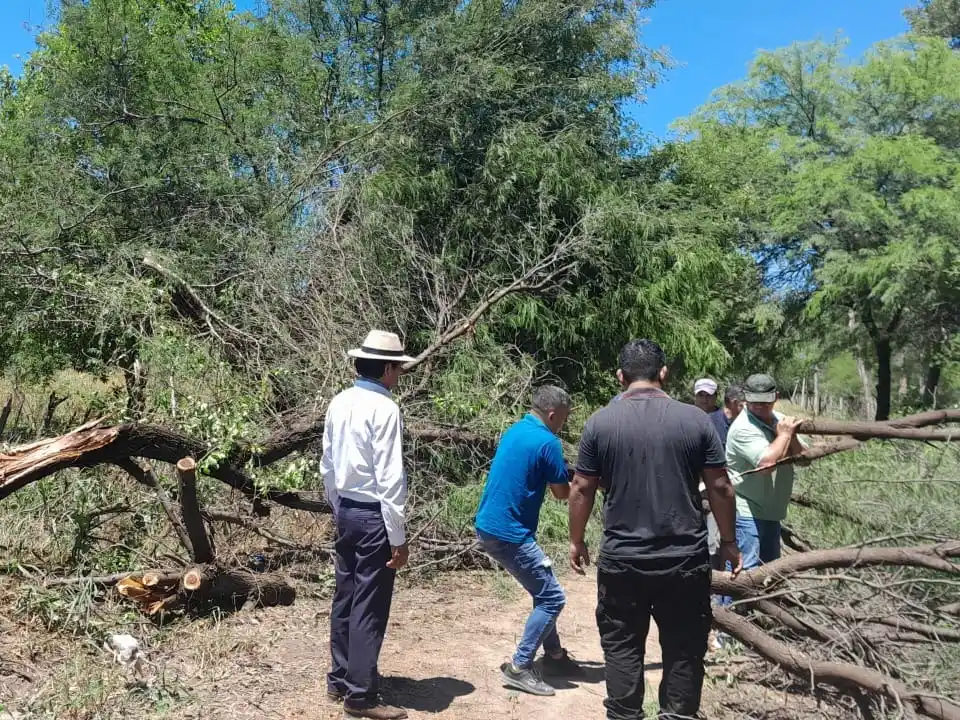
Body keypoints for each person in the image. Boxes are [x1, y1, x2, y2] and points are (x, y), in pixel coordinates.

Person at [568, 339, 741, 720]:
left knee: (623, 647)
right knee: (683, 650)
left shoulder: (600, 422)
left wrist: (577, 540)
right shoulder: (695, 420)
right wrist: (729, 542)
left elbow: (581, 488)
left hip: (622, 561)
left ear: (620, 376)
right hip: (684, 562)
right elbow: (721, 487)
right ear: (663, 374)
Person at [322, 330, 416, 720]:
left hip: (345, 508)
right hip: (373, 513)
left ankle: (340, 677)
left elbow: (327, 463)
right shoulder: (385, 409)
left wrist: (335, 506)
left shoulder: (339, 401)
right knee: (370, 603)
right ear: (388, 368)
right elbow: (390, 478)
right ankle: (359, 696)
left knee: (346, 593)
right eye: (398, 368)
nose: (399, 375)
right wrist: (398, 536)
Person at [474, 386, 583, 697]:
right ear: (552, 414)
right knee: (553, 597)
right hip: (509, 533)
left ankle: (555, 657)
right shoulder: (548, 441)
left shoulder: (516, 429)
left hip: (490, 526)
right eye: (564, 418)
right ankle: (520, 667)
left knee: (543, 590)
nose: (564, 423)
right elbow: (561, 493)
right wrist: (585, 482)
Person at [725, 373, 808, 570]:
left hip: (771, 512)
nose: (760, 407)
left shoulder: (780, 420)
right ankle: (728, 603)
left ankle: (764, 602)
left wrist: (791, 437)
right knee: (746, 572)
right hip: (747, 512)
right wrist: (785, 435)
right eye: (754, 402)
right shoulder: (743, 427)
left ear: (776, 397)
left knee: (770, 571)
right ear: (746, 397)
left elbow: (805, 459)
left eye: (765, 402)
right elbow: (766, 464)